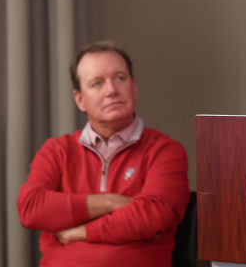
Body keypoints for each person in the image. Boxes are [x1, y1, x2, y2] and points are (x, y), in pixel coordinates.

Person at [17, 41, 189, 266]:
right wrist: (110, 202)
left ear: (134, 87)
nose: (111, 90)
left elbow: (154, 214)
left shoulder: (165, 151)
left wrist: (81, 232)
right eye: (97, 83)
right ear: (80, 99)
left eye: (120, 78)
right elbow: (31, 208)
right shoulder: (57, 150)